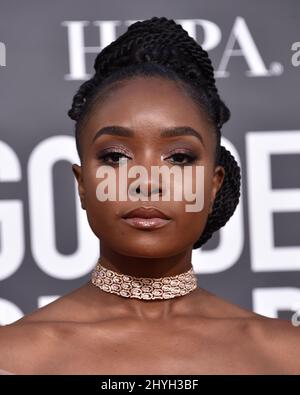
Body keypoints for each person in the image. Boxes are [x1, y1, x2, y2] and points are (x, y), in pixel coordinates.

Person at [0, 16, 299, 375]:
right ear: (82, 184)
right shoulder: (11, 356)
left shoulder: (286, 355)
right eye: (114, 157)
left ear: (213, 183)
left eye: (179, 158)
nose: (147, 181)